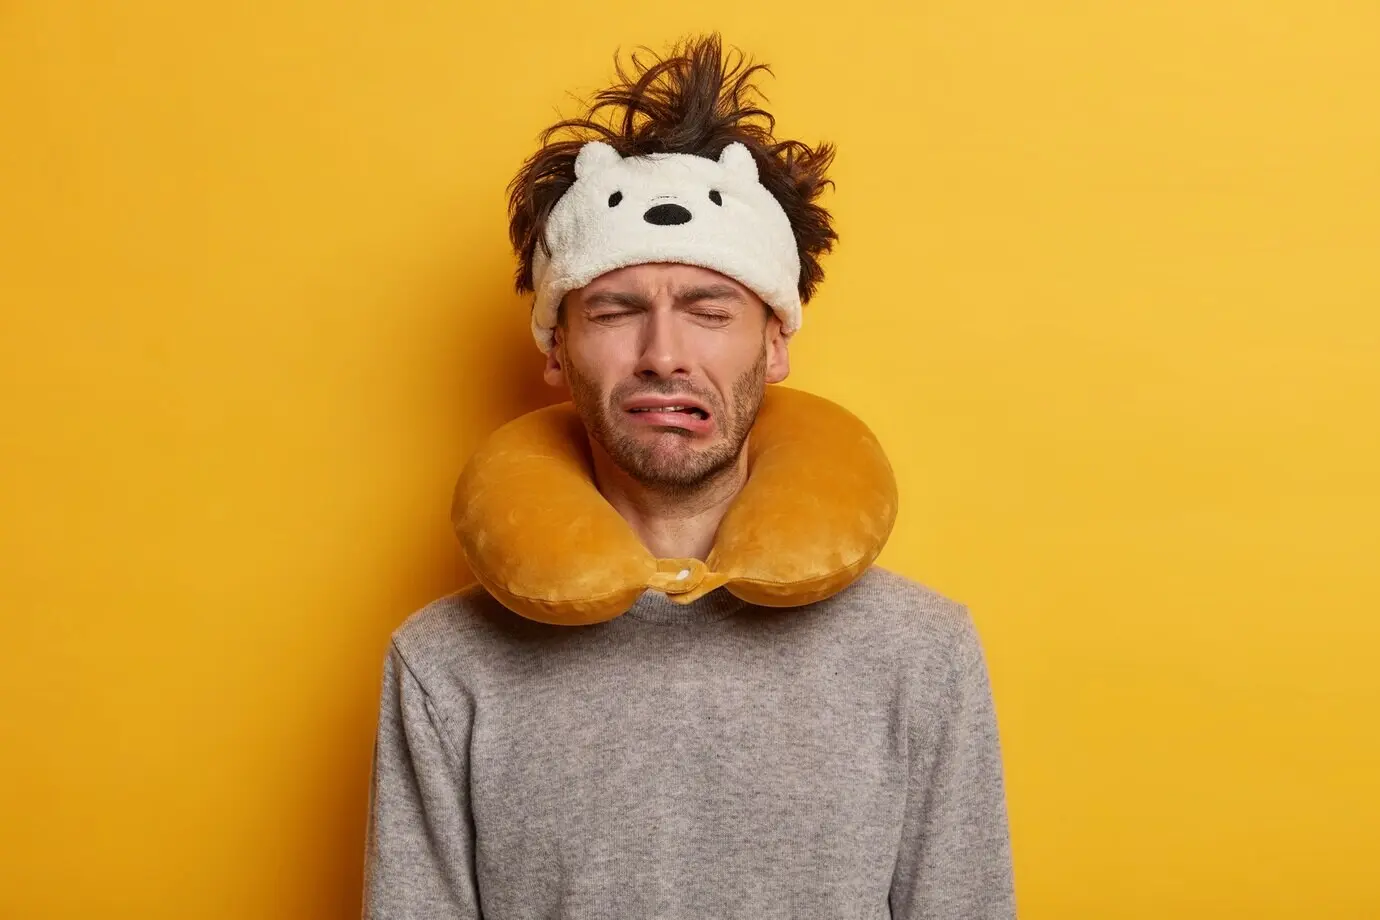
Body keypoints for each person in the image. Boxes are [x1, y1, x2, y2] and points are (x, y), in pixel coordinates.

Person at [361, 33, 1015, 920]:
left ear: (775, 342)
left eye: (709, 311)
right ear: (556, 349)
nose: (663, 354)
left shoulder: (919, 654)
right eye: (615, 311)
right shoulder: (446, 663)